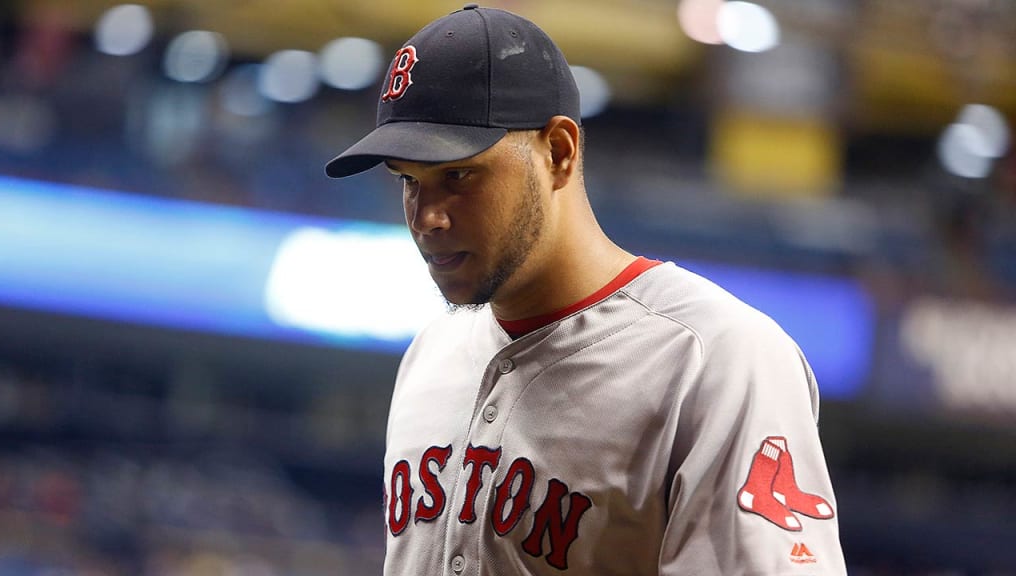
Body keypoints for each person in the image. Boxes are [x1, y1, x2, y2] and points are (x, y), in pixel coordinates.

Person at [325, 4, 847, 574]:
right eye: (408, 180)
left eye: (459, 175)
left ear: (559, 151)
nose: (426, 217)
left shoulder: (715, 358)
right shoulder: (431, 353)